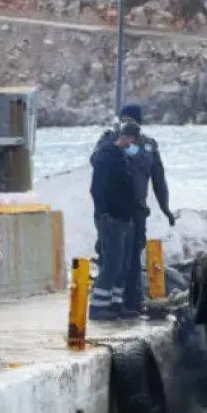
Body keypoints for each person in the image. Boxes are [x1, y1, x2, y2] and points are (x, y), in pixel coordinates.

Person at [94, 104, 175, 317]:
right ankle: (103, 304)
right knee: (110, 257)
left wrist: (165, 208)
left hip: (137, 210)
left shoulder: (148, 145)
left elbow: (159, 178)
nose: (128, 122)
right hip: (112, 211)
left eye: (132, 119)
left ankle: (128, 302)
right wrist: (116, 143)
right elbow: (97, 164)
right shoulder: (109, 142)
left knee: (131, 257)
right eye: (125, 118)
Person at [89, 124, 138, 320]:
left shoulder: (122, 158)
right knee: (112, 263)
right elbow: (97, 188)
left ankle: (116, 304)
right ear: (125, 138)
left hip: (125, 217)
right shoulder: (106, 158)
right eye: (132, 140)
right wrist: (103, 213)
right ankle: (98, 306)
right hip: (112, 218)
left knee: (123, 264)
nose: (133, 145)